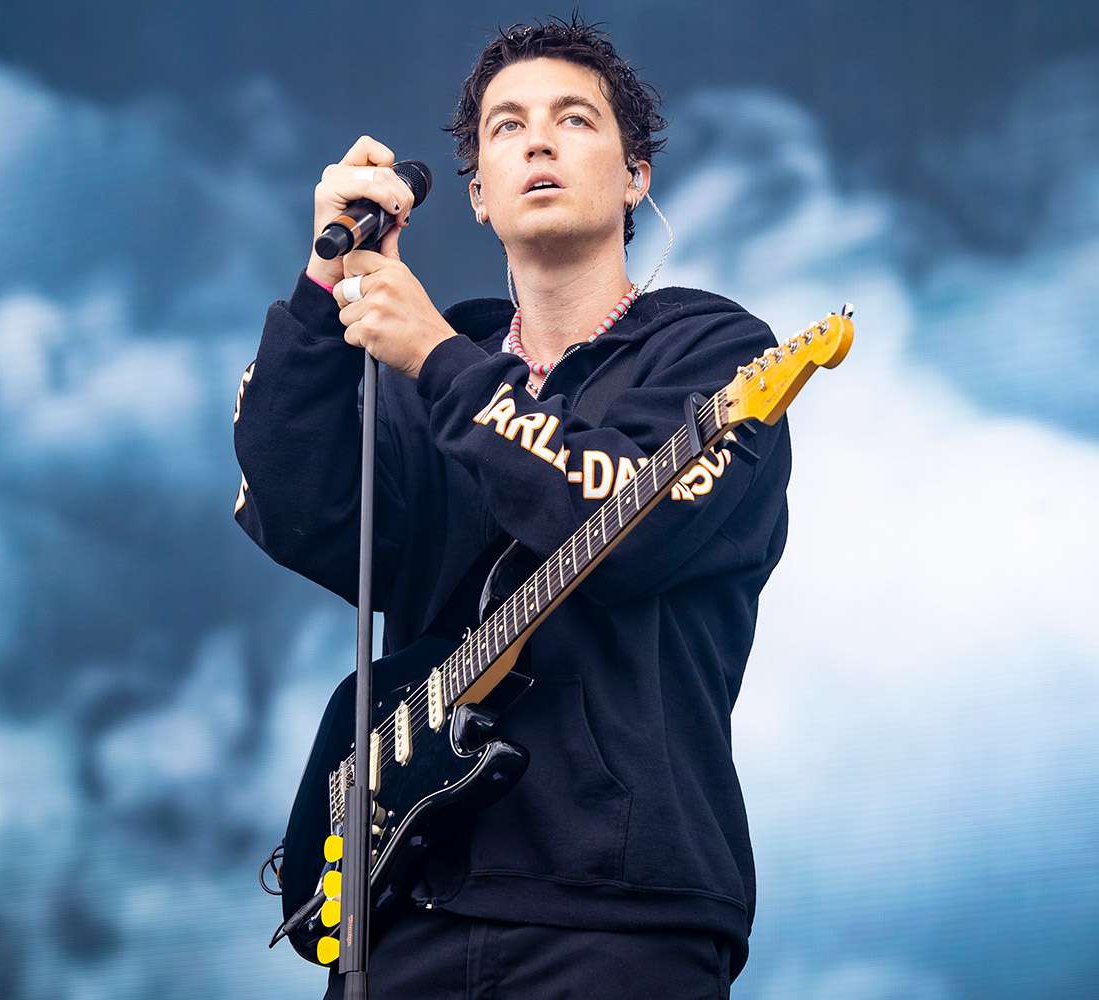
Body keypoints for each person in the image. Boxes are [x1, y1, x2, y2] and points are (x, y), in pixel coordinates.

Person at [233, 16, 791, 998]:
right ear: (478, 196)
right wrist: (323, 290)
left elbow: (629, 526)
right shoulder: (422, 374)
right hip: (406, 905)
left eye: (574, 119)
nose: (538, 141)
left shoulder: (714, 352)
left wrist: (441, 361)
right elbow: (297, 502)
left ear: (635, 177)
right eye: (507, 126)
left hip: (620, 915)